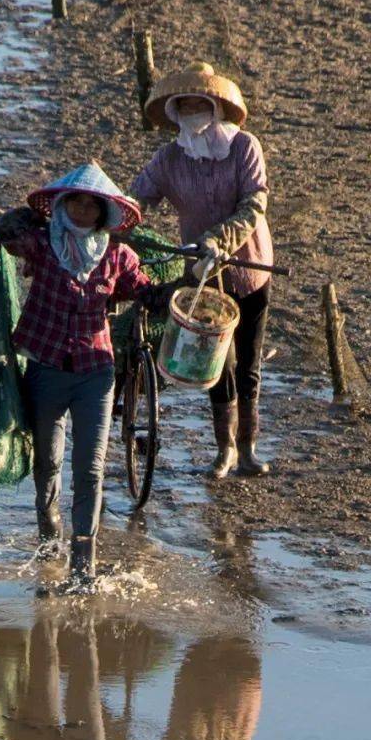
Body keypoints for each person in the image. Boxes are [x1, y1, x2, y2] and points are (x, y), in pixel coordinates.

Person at [0, 163, 161, 584]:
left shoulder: (118, 255)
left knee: (90, 468)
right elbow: (5, 234)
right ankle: (50, 540)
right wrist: (18, 219)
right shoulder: (42, 246)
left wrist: (184, 282)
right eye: (77, 202)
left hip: (95, 373)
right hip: (47, 370)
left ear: (105, 213)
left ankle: (83, 564)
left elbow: (145, 291)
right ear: (63, 206)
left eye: (93, 205)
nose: (85, 210)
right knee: (47, 464)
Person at [130, 61, 274, 478]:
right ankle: (224, 449)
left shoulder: (245, 147)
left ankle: (247, 448)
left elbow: (254, 205)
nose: (193, 109)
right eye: (185, 104)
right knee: (217, 360)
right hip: (203, 277)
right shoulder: (169, 159)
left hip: (250, 270)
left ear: (215, 106)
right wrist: (107, 219)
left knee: (247, 362)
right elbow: (138, 200)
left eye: (200, 102)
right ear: (175, 111)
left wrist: (219, 239)